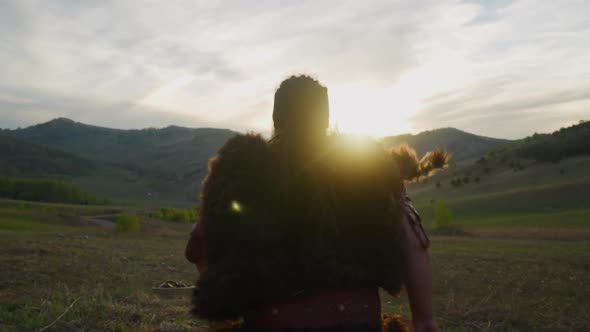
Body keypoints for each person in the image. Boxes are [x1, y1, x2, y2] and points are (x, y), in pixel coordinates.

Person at [186, 75, 445, 331]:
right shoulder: (365, 165)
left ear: (276, 118)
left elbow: (200, 244)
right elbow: (413, 239)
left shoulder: (242, 169)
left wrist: (221, 310)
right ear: (325, 119)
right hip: (360, 319)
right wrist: (424, 318)